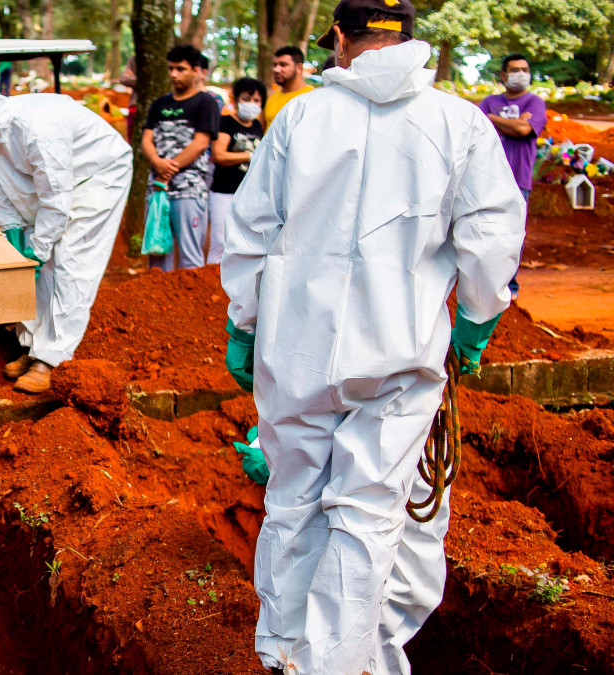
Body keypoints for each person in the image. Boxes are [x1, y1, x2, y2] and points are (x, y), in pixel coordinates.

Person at [221, 0, 526, 672]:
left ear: (337, 37)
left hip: (296, 352)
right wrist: (475, 321)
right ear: (410, 38)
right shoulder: (458, 123)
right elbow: (491, 238)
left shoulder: (299, 116)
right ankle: (338, 662)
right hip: (399, 353)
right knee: (367, 516)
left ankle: (283, 654)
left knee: (295, 498)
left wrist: (242, 323)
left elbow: (250, 232)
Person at [0, 72, 132, 395]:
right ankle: (31, 347)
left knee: (70, 264)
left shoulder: (37, 130)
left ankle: (50, 359)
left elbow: (56, 200)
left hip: (96, 178)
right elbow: (2, 190)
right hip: (58, 188)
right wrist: (16, 238)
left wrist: (39, 251)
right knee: (32, 265)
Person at [142, 44, 220, 271]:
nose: (174, 74)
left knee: (190, 258)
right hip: (157, 189)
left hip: (189, 189)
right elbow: (147, 139)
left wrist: (167, 169)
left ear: (196, 70)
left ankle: (191, 306)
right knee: (157, 253)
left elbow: (200, 144)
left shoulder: (206, 102)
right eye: (171, 68)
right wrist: (157, 163)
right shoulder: (159, 104)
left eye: (181, 69)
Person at [479, 53, 544, 300]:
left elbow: (525, 129)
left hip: (519, 178)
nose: (521, 74)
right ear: (504, 75)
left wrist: (494, 119)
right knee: (485, 231)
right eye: (515, 69)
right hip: (487, 177)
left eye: (525, 69)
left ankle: (509, 287)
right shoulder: (489, 100)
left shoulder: (535, 102)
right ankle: (485, 286)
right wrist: (514, 122)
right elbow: (478, 127)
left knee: (513, 235)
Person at [207, 77, 265, 266]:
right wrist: (249, 156)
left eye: (257, 101)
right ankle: (211, 282)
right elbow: (219, 155)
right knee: (220, 240)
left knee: (242, 242)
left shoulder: (257, 126)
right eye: (247, 99)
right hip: (223, 191)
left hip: (248, 194)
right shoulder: (225, 122)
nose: (252, 104)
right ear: (236, 99)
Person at [263, 45, 314, 130]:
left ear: (299, 67)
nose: (276, 69)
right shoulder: (270, 95)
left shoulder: (312, 96)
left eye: (283, 65)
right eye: (275, 65)